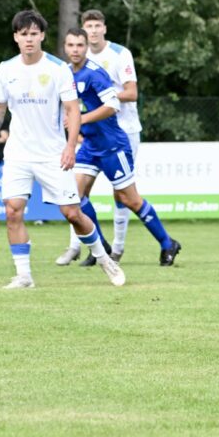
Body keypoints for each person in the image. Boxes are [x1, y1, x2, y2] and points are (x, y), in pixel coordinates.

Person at [0, 10, 125, 289]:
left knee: (72, 213)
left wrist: (70, 147)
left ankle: (104, 258)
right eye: (24, 34)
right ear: (16, 38)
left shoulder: (58, 69)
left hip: (52, 154)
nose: (29, 39)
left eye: (34, 34)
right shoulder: (5, 69)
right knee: (13, 210)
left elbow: (72, 109)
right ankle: (24, 276)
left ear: (42, 36)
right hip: (18, 153)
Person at [60, 28, 181, 265]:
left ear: (86, 48)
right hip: (90, 145)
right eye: (71, 45)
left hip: (113, 145)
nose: (75, 50)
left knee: (130, 200)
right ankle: (101, 245)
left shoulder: (95, 73)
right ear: (65, 47)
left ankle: (168, 243)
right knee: (75, 195)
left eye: (79, 45)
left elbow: (113, 105)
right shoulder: (63, 74)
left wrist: (80, 119)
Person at [78, 9, 141, 263]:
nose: (93, 30)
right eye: (88, 26)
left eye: (96, 25)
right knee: (78, 191)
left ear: (104, 28)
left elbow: (131, 92)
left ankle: (117, 247)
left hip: (124, 129)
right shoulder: (78, 57)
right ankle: (93, 247)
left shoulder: (119, 54)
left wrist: (102, 96)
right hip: (93, 133)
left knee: (122, 194)